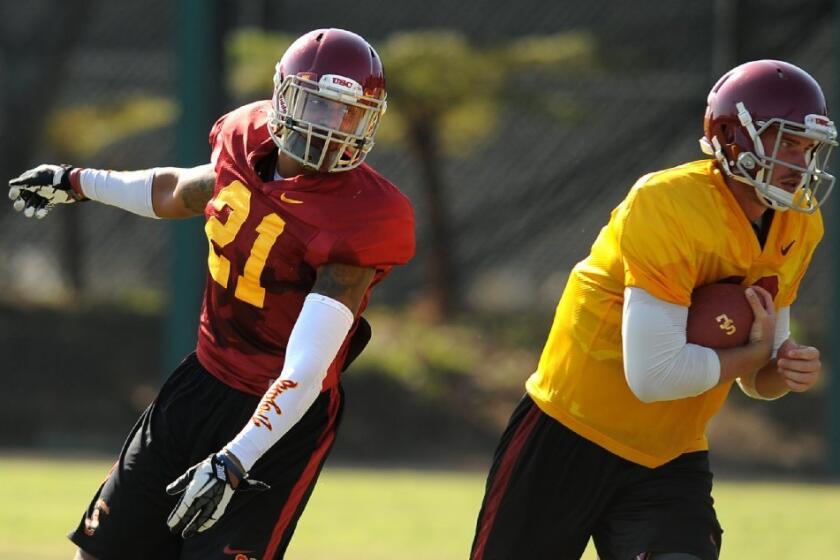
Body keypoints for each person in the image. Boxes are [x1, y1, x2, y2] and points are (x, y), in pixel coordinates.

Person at [8, 28, 415, 560]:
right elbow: (179, 191)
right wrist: (77, 180)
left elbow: (304, 370)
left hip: (281, 417)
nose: (332, 128)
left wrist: (235, 460)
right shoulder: (245, 141)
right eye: (319, 105)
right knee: (104, 550)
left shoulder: (362, 215)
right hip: (201, 380)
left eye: (349, 114)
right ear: (285, 98)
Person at [470, 59, 835, 560]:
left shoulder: (800, 226)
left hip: (669, 453)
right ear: (733, 137)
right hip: (570, 430)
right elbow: (655, 375)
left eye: (809, 147)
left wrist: (784, 367)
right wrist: (752, 359)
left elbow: (758, 376)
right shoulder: (666, 204)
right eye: (787, 142)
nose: (802, 161)